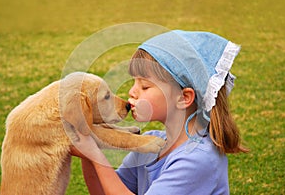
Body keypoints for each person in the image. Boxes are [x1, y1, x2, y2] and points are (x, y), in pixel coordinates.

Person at [70, 30, 248, 195]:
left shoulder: (198, 159)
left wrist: (94, 153)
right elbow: (104, 191)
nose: (132, 92)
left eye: (145, 86)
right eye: (134, 82)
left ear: (184, 97)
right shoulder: (151, 145)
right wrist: (89, 138)